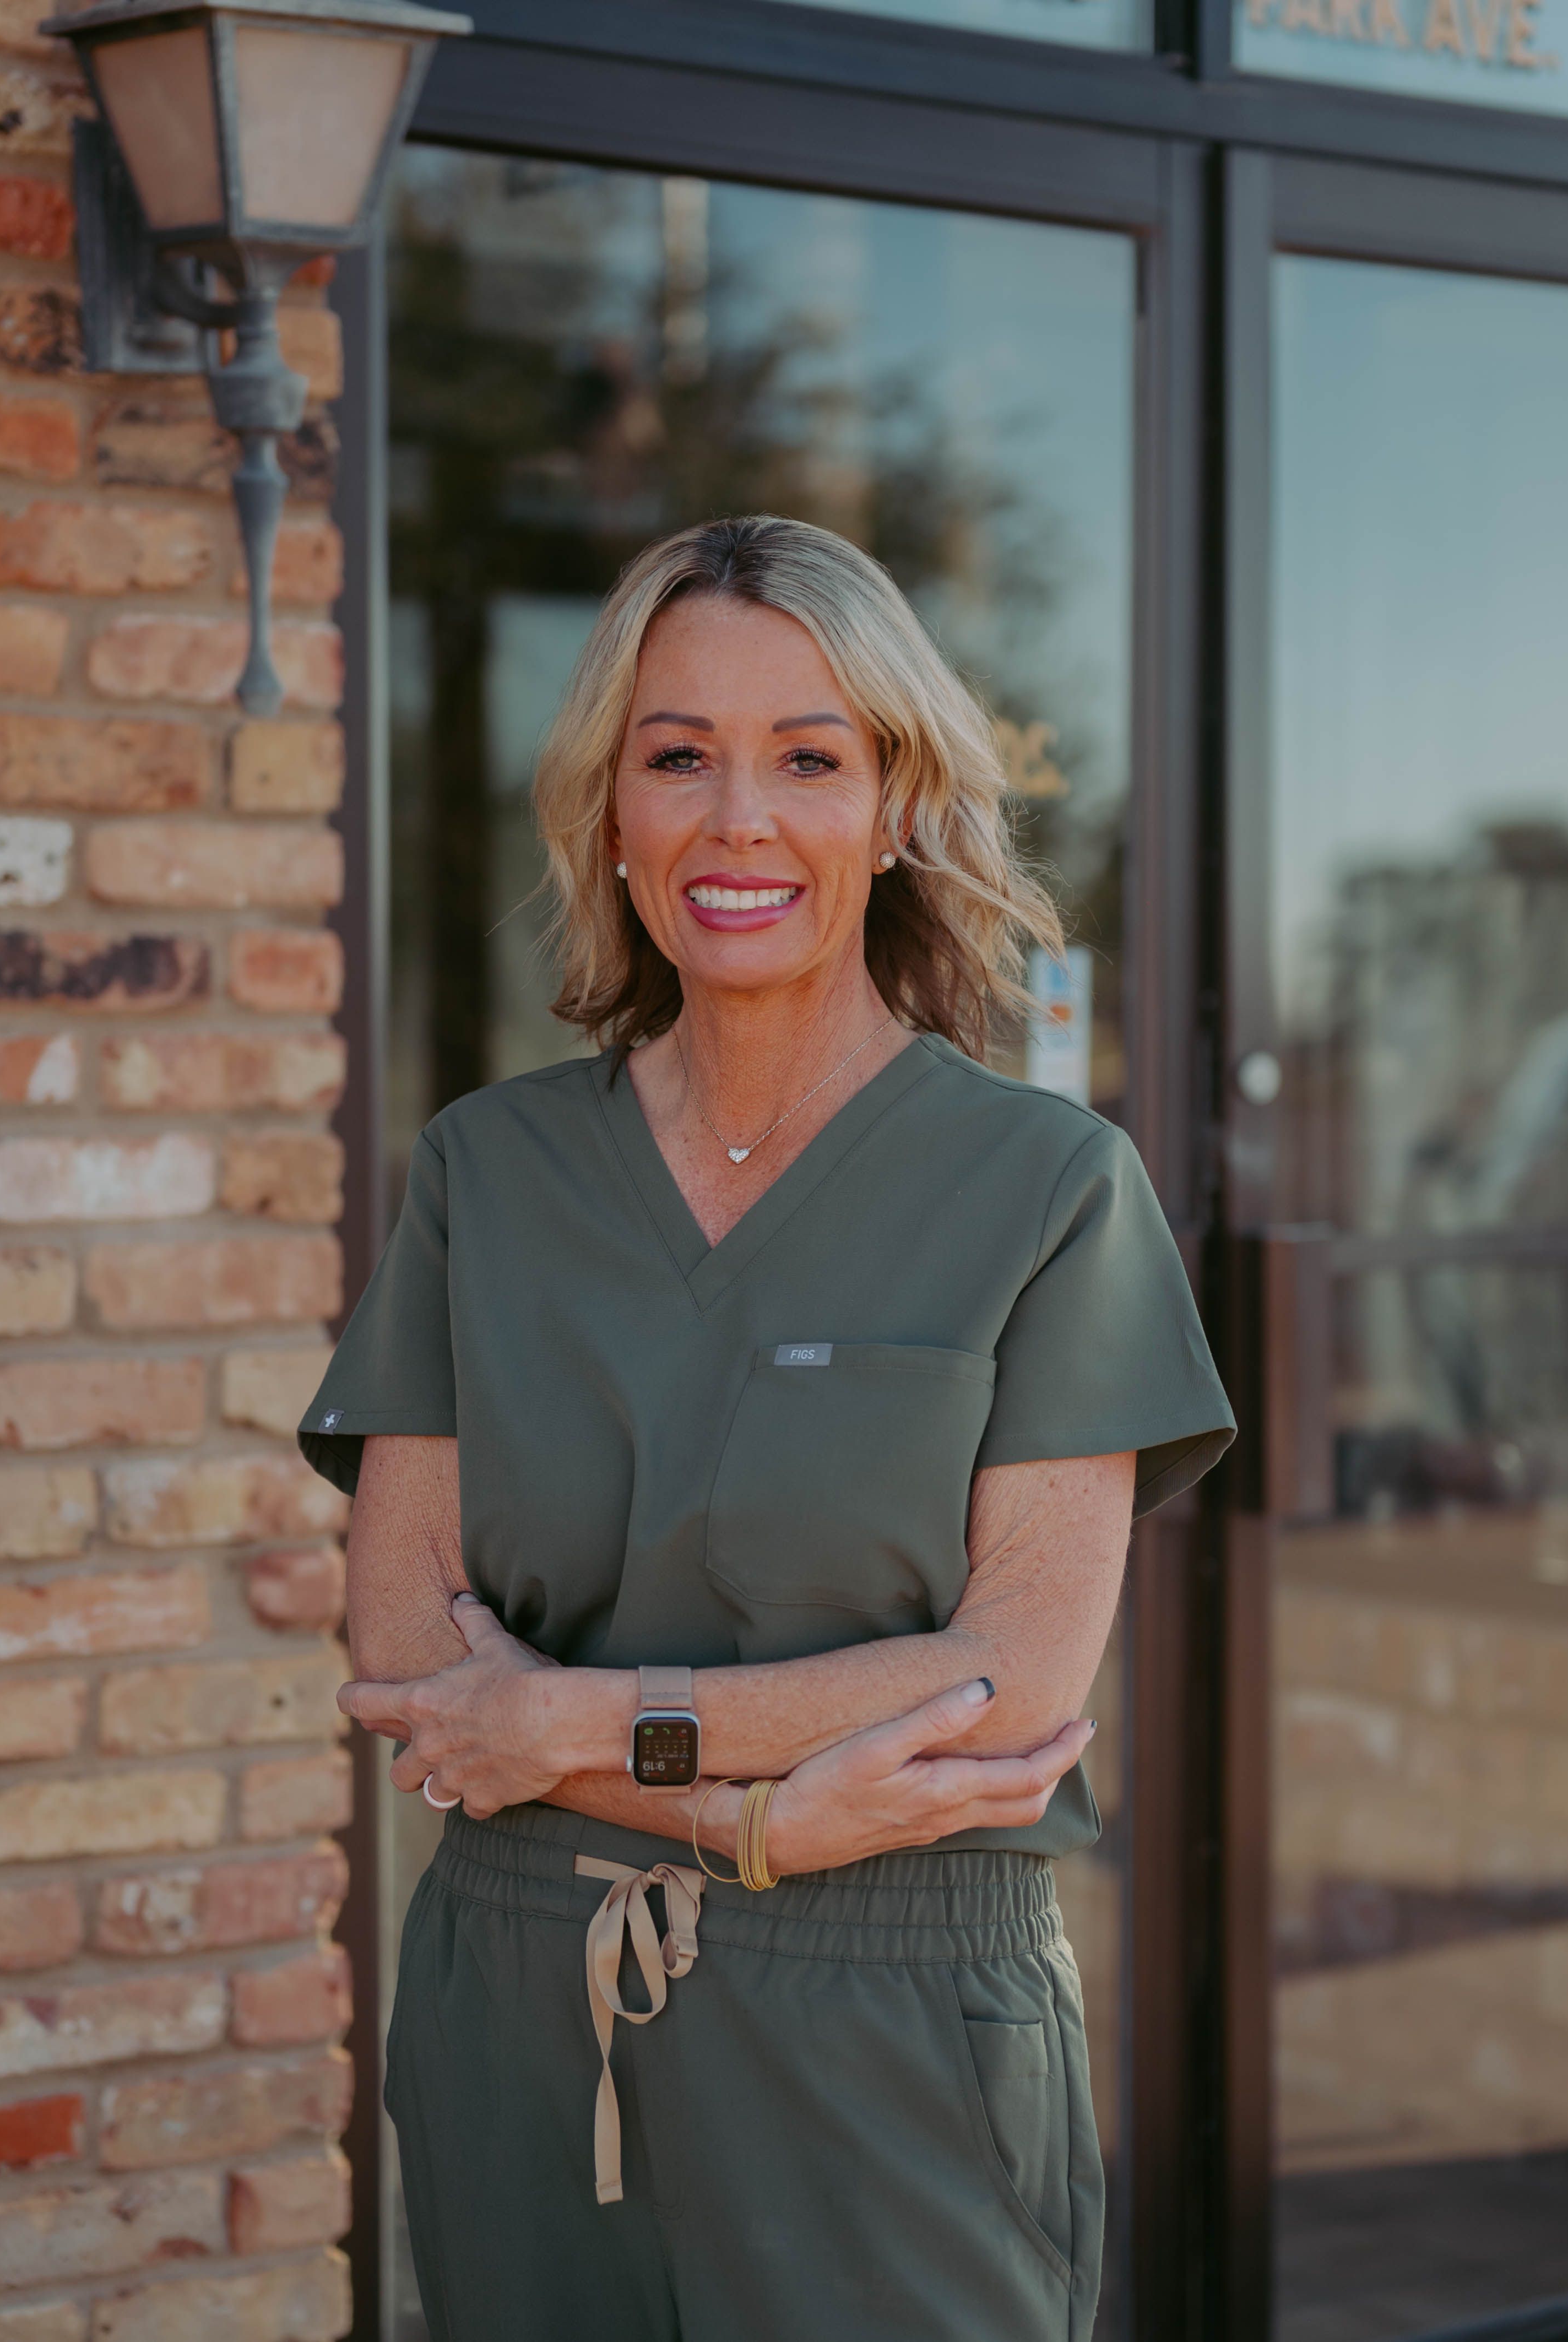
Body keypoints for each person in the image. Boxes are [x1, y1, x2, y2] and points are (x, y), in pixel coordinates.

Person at [300, 513, 1234, 2342]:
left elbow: (1008, 1689)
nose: (740, 820)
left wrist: (570, 1723)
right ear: (611, 814)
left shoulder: (1048, 1188)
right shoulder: (487, 1175)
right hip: (521, 1998)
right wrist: (758, 1815)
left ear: (894, 803)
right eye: (677, 757)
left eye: (809, 757)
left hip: (892, 2013)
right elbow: (408, 1661)